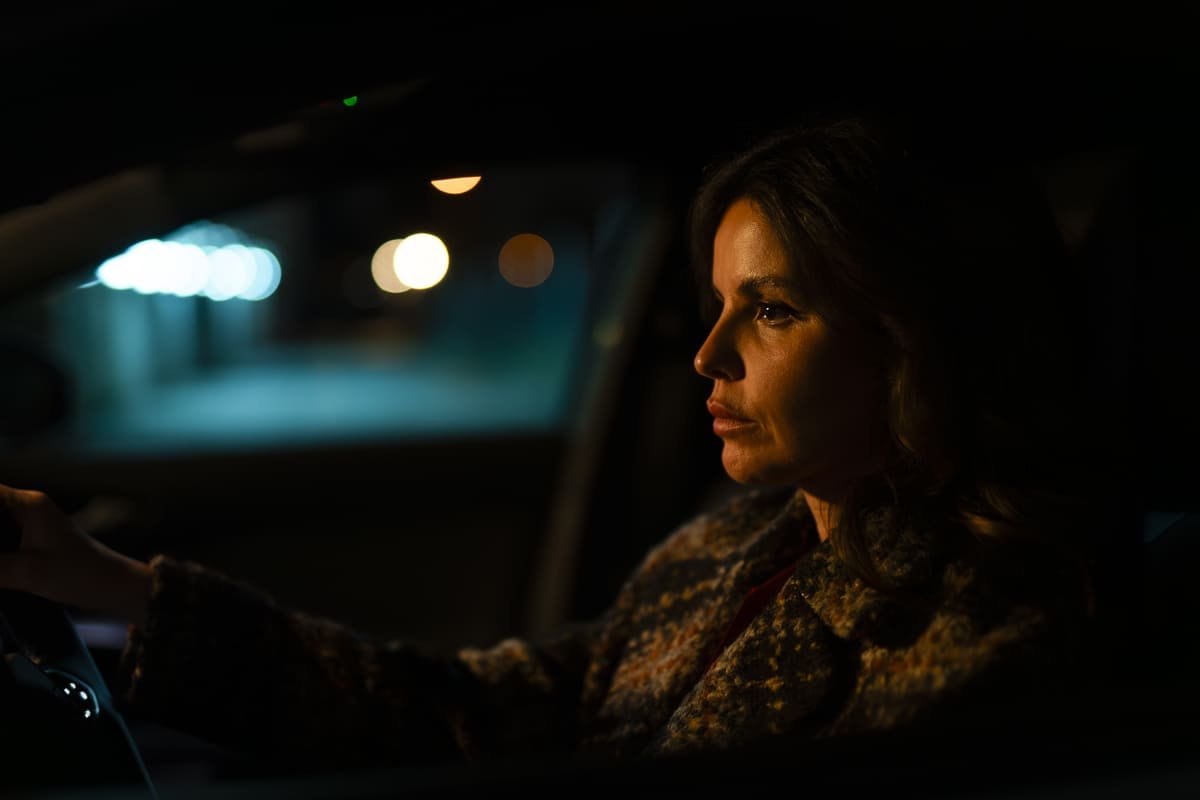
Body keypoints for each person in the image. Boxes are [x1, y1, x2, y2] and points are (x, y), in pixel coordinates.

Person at [0, 114, 1111, 771]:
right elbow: (482, 710)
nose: (707, 354)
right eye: (718, 303)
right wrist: (111, 584)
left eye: (772, 310)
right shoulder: (734, 546)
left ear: (908, 341)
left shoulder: (981, 636)